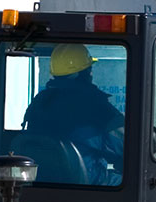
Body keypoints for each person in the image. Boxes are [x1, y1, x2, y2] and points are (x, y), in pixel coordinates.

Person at [22, 43, 124, 185]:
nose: (91, 73)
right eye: (89, 69)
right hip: (86, 182)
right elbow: (126, 143)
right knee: (134, 183)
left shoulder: (41, 101)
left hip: (41, 181)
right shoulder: (94, 104)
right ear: (83, 73)